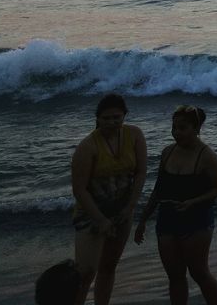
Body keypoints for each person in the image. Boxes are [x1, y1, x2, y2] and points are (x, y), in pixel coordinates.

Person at [134, 105, 217, 305]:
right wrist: (142, 220)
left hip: (196, 219)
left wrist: (193, 202)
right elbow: (158, 190)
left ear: (196, 128)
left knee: (199, 272)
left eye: (182, 128)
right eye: (174, 128)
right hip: (167, 218)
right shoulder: (167, 152)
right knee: (175, 275)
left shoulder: (207, 156)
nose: (176, 133)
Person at [70, 94, 148, 305]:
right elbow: (79, 190)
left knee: (108, 267)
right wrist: (101, 220)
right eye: (106, 118)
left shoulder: (135, 135)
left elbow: (141, 172)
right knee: (85, 272)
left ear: (124, 116)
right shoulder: (87, 147)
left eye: (116, 117)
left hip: (122, 212)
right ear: (98, 119)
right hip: (90, 214)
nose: (112, 122)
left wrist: (131, 206)